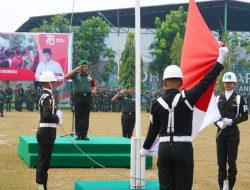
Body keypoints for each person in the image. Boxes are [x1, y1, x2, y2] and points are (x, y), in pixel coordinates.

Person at [140, 46, 228, 190]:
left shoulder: (156, 104)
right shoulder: (187, 98)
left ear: (164, 82)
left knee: (166, 186)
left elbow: (152, 130)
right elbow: (207, 80)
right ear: (181, 82)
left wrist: (145, 148)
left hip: (164, 150)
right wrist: (221, 58)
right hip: (183, 148)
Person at [215, 72, 248, 190]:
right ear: (223, 83)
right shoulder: (218, 97)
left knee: (232, 162)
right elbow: (213, 116)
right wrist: (217, 123)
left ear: (234, 84)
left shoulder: (239, 98)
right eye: (226, 82)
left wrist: (232, 121)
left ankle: (230, 186)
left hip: (233, 133)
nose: (228, 84)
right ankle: (222, 185)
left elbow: (245, 116)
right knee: (221, 161)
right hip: (220, 133)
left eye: (230, 82)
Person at [36, 71, 62, 190]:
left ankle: (43, 185)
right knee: (44, 160)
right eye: (52, 81)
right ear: (47, 83)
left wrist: (56, 115)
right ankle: (41, 186)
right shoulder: (47, 97)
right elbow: (46, 115)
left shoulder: (48, 95)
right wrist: (57, 118)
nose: (55, 82)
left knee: (45, 160)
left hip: (48, 130)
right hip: (46, 131)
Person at [64, 60, 97, 140]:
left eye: (86, 66)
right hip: (78, 96)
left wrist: (94, 90)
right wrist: (76, 69)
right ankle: (78, 134)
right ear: (80, 67)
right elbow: (66, 77)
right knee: (78, 116)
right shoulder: (75, 75)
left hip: (88, 97)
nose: (84, 68)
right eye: (82, 66)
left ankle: (84, 135)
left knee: (86, 116)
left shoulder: (90, 75)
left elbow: (94, 85)